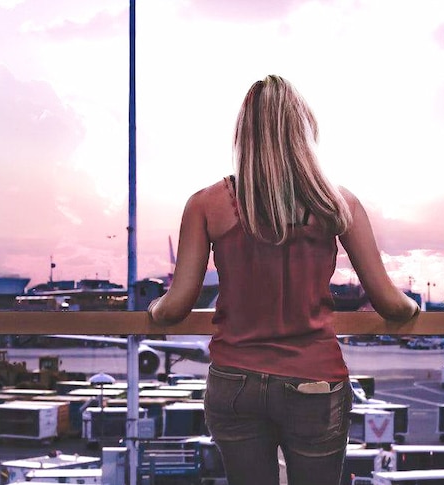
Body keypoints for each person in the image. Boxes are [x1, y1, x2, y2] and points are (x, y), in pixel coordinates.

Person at [146, 74, 420, 485]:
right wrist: (414, 308)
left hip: (234, 378)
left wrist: (153, 307)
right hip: (314, 378)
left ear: (244, 133)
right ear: (302, 131)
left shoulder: (207, 204)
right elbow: (390, 304)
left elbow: (176, 307)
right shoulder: (337, 203)